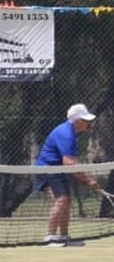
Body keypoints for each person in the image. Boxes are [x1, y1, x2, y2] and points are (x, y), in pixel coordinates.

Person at [35, 103, 103, 246]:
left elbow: (68, 164)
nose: (89, 124)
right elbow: (69, 163)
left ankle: (64, 237)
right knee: (61, 200)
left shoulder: (70, 132)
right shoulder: (66, 134)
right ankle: (50, 237)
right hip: (48, 169)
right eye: (86, 121)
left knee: (65, 201)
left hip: (57, 169)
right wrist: (88, 180)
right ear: (78, 121)